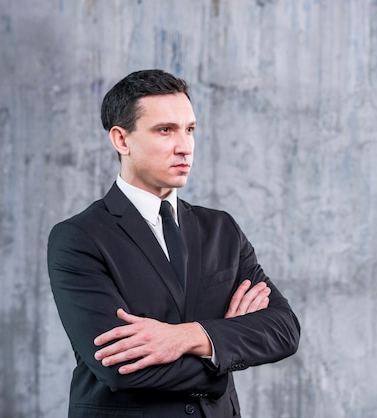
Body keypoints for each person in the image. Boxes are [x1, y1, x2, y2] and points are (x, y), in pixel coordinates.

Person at [47, 69, 300, 418]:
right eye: (165, 130)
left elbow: (284, 329)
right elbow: (122, 368)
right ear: (122, 140)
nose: (184, 146)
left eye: (190, 129)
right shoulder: (78, 238)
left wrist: (187, 337)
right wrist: (222, 351)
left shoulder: (221, 229)